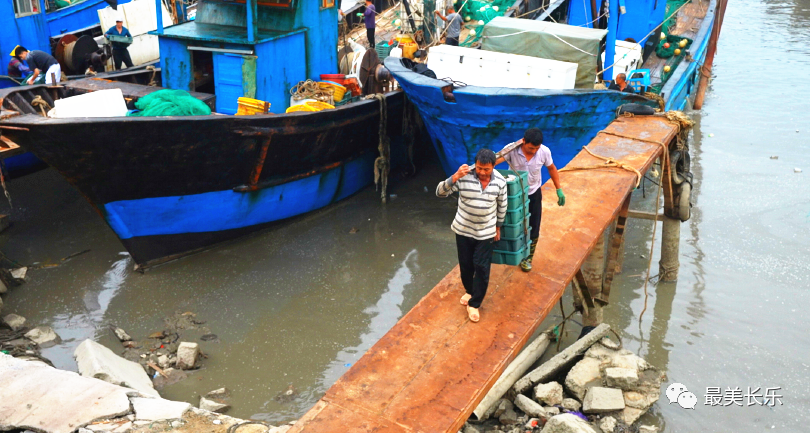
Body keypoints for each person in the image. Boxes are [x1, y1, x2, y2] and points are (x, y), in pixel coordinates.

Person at [436, 148, 508, 323]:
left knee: (482, 267)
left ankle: (475, 304)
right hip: (463, 230)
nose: (482, 173)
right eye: (479, 168)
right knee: (466, 265)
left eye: (486, 169)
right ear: (475, 165)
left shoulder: (500, 181)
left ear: (493, 166)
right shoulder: (464, 175)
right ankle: (470, 291)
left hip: (486, 232)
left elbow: (502, 206)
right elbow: (440, 193)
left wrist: (498, 227)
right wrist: (454, 177)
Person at [495, 128, 565, 272]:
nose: (533, 151)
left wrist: (558, 189)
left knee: (534, 227)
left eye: (536, 148)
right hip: (514, 195)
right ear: (523, 141)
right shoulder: (512, 149)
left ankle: (528, 258)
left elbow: (551, 168)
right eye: (530, 148)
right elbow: (495, 161)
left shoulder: (544, 152)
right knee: (510, 225)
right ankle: (510, 252)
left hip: (533, 193)